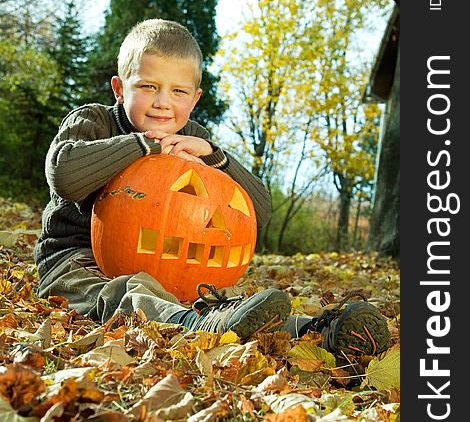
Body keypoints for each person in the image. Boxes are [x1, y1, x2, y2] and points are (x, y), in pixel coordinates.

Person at [34, 18, 390, 356]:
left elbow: (258, 211)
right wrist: (143, 144)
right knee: (127, 292)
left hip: (171, 273)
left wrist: (217, 158)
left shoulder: (194, 139)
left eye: (178, 91)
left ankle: (315, 331)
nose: (162, 102)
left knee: (211, 298)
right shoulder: (93, 121)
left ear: (195, 98)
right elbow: (65, 177)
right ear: (119, 87)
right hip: (77, 262)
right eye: (147, 86)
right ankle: (194, 324)